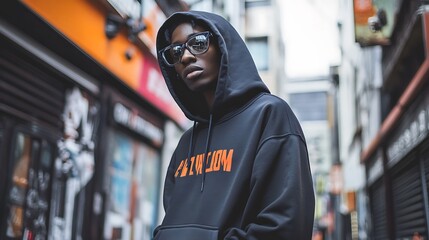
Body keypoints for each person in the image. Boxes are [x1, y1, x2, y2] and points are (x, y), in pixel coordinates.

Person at [154, 10, 315, 240]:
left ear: (223, 47)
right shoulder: (185, 143)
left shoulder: (270, 116)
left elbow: (285, 226)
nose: (186, 57)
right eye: (176, 51)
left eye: (198, 43)